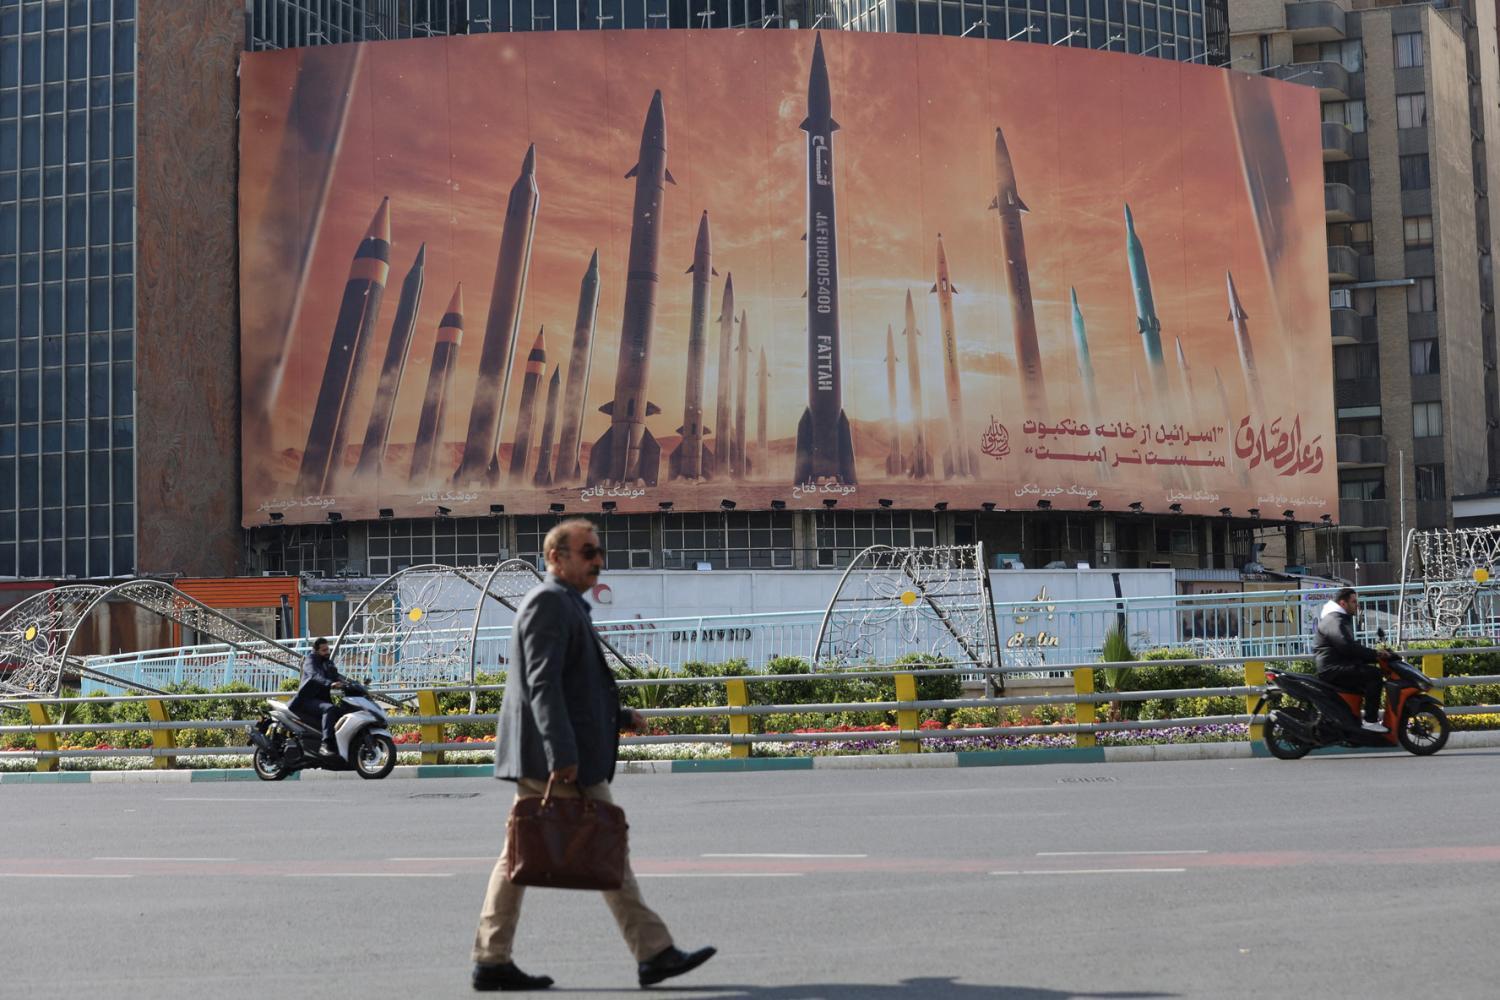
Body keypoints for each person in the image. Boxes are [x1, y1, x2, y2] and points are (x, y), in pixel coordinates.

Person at [471, 518, 716, 993]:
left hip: (559, 750)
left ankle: (492, 958)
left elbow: (572, 684)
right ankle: (653, 952)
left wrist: (618, 715)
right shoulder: (548, 603)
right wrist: (561, 753)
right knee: (602, 843)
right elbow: (541, 684)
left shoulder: (566, 604)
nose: (598, 561)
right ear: (556, 558)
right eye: (587, 552)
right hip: (559, 758)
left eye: (598, 551)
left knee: (525, 855)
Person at [1313, 587, 1388, 732]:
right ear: (1343, 603)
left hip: (1337, 665)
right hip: (1333, 668)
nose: (1357, 605)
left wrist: (1372, 655)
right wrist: (1375, 655)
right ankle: (1370, 721)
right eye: (1354, 602)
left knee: (1366, 673)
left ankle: (1353, 723)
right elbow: (1346, 646)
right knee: (1375, 675)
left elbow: (1348, 647)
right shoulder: (1335, 620)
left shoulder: (1338, 619)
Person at [288, 637, 346, 755]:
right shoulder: (310, 661)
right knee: (329, 709)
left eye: (328, 649)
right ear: (316, 651)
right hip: (306, 701)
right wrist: (330, 683)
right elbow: (315, 675)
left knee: (343, 711)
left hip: (320, 700)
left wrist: (352, 684)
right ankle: (325, 745)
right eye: (324, 650)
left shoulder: (327, 663)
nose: (327, 652)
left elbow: (336, 676)